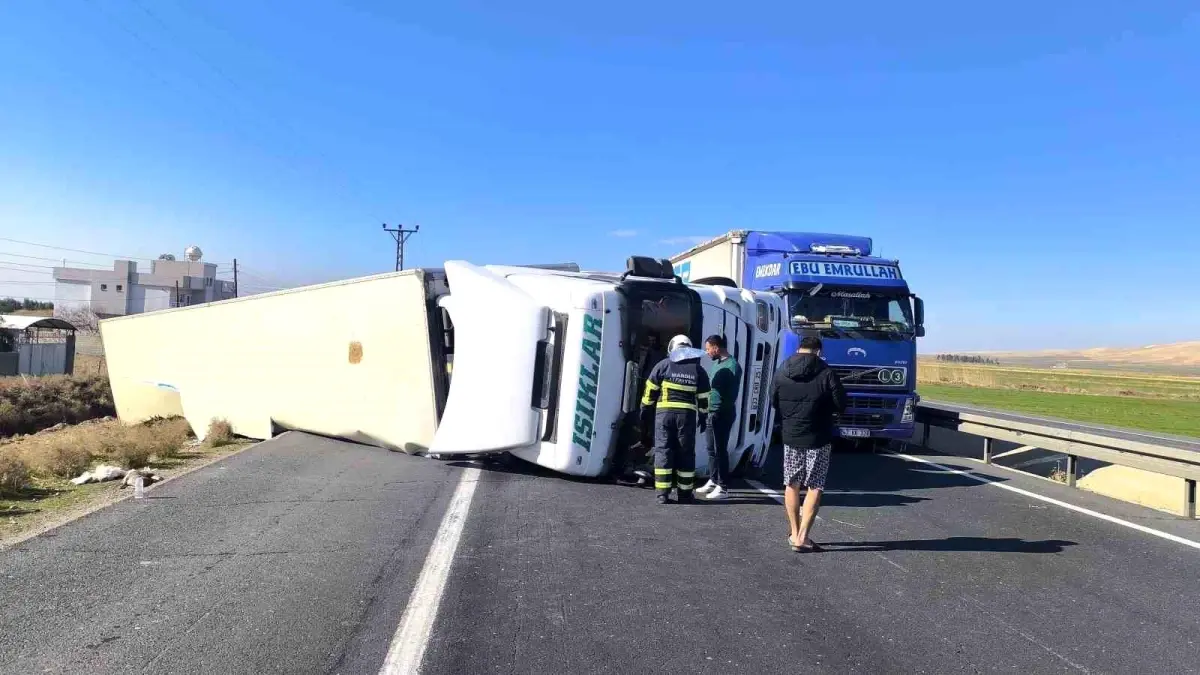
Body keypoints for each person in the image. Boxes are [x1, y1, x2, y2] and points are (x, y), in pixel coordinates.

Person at [771, 335, 846, 552]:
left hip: (791, 436)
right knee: (815, 485)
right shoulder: (827, 372)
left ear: (800, 348)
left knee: (791, 484)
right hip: (818, 438)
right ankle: (803, 536)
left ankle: (794, 533)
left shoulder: (782, 370)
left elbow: (773, 400)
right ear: (818, 351)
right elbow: (841, 404)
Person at [640, 334, 711, 504]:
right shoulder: (698, 370)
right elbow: (704, 398)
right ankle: (685, 494)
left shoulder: (663, 365)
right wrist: (703, 416)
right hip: (686, 417)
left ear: (672, 348)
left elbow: (649, 391)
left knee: (663, 451)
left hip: (664, 415)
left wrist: (644, 411)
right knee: (685, 454)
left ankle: (662, 494)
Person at [696, 334, 741, 500]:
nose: (707, 352)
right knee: (711, 449)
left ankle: (723, 487)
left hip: (722, 413)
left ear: (716, 347)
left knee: (720, 449)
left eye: (708, 348)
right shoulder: (717, 364)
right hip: (711, 412)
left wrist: (718, 411)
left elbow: (731, 395)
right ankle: (713, 480)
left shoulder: (732, 366)